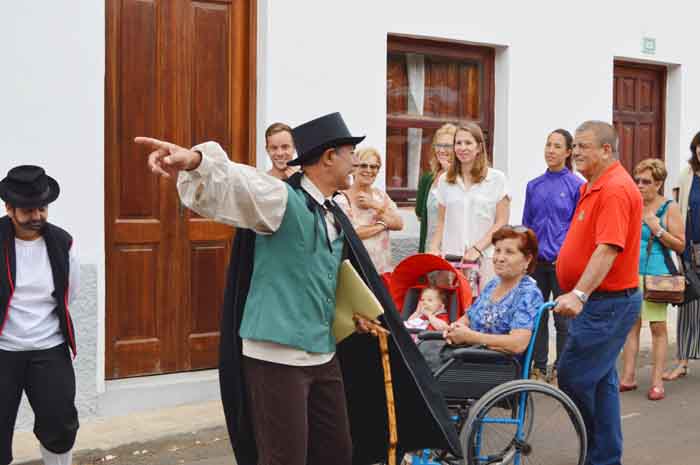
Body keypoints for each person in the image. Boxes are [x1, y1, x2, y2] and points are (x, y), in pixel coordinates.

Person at [136, 112, 459, 465]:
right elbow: (238, 182)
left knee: (337, 452)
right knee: (284, 457)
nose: (356, 160)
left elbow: (322, 276)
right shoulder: (280, 199)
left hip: (322, 352)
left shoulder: (333, 212)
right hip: (276, 355)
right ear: (328, 156)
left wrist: (352, 313)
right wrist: (197, 160)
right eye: (350, 151)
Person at [554, 121, 642, 465]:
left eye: (583, 146)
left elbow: (608, 248)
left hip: (606, 304)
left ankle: (600, 453)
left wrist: (578, 293)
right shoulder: (591, 186)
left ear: (606, 150)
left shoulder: (616, 189)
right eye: (574, 145)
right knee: (601, 381)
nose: (575, 152)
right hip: (601, 303)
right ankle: (605, 457)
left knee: (574, 376)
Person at [0, 166, 80, 465]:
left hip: (49, 349)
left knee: (59, 423)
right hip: (2, 350)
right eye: (28, 210)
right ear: (9, 208)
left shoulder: (63, 243)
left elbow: (69, 295)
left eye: (42, 208)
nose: (37, 216)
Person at [618, 159, 685, 401]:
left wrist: (657, 229)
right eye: (637, 180)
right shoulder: (631, 203)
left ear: (658, 184)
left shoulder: (669, 207)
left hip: (658, 275)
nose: (640, 185)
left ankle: (657, 382)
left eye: (646, 182)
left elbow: (680, 244)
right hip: (631, 272)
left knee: (657, 327)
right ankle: (628, 377)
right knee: (631, 325)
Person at [522, 129, 584, 383]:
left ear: (568, 151)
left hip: (562, 264)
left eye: (557, 146)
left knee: (563, 320)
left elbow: (578, 227)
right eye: (548, 145)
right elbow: (527, 224)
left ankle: (561, 368)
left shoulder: (578, 186)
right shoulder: (533, 186)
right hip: (537, 262)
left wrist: (567, 255)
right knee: (537, 316)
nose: (551, 150)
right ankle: (538, 367)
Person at [428, 122, 510, 292]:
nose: (462, 148)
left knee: (483, 310)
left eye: (468, 143)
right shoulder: (445, 180)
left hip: (485, 258)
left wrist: (477, 249)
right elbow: (442, 221)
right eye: (458, 143)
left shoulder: (496, 179)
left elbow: (501, 221)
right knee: (453, 309)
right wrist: (434, 249)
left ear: (479, 147)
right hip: (452, 259)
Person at [443, 225, 543, 355]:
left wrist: (470, 337)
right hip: (468, 355)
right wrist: (454, 329)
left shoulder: (528, 294)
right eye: (497, 250)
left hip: (495, 368)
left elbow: (517, 344)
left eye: (509, 252)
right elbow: (469, 317)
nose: (499, 258)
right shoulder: (493, 284)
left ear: (527, 259)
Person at [664, 130, 700, 381]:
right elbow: (676, 208)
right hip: (691, 249)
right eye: (698, 147)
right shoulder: (687, 175)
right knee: (687, 304)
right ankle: (682, 361)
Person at [336, 147, 403, 273]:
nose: (368, 170)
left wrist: (374, 205)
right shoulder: (342, 198)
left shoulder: (380, 196)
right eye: (363, 165)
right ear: (353, 169)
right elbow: (352, 233)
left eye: (374, 167)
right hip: (358, 269)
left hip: (383, 269)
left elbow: (399, 224)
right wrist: (382, 225)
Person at [415, 123, 457, 253]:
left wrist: (451, 175)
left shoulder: (464, 179)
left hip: (454, 249)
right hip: (429, 247)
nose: (441, 150)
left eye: (447, 146)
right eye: (438, 145)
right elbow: (420, 214)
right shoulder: (427, 179)